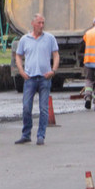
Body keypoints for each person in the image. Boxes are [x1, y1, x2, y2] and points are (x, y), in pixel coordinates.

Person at [14, 13, 59, 146]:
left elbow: (56, 55)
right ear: (33, 24)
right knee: (27, 107)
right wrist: (21, 71)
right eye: (39, 23)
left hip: (45, 78)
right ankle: (26, 134)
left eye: (43, 23)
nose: (41, 25)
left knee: (43, 108)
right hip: (30, 78)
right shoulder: (25, 39)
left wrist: (53, 70)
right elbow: (18, 55)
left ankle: (41, 135)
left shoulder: (49, 38)